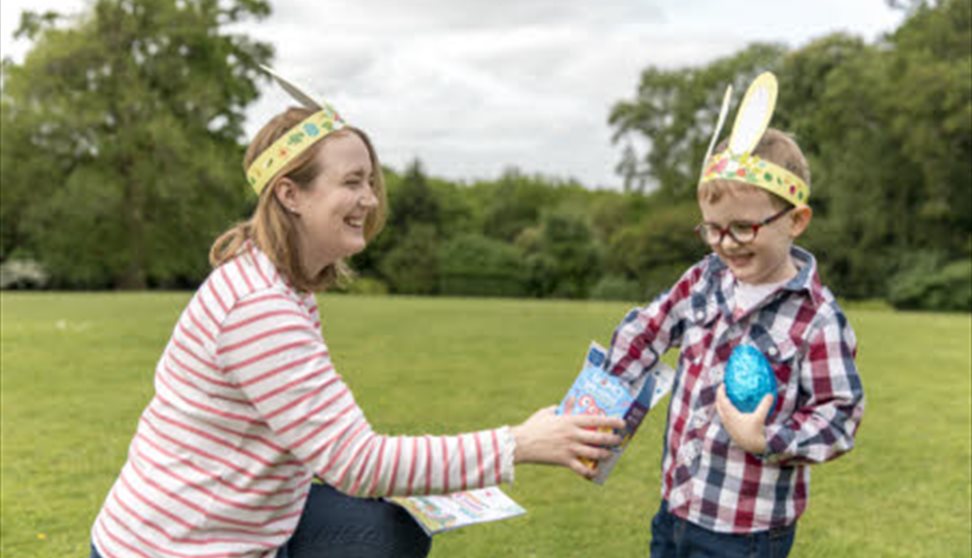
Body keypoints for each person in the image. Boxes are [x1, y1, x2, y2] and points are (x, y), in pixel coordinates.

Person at [89, 68, 625, 558]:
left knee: (391, 529)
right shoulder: (259, 309)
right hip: (170, 547)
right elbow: (354, 461)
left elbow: (328, 443)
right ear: (290, 195)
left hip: (245, 526)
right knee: (382, 531)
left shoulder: (282, 285)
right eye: (351, 182)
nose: (369, 199)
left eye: (369, 181)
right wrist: (520, 443)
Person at [604, 73, 864, 558]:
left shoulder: (817, 319)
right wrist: (603, 396)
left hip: (748, 533)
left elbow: (840, 415)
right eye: (713, 229)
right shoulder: (704, 279)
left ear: (795, 220)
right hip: (677, 508)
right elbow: (648, 330)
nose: (725, 244)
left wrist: (766, 437)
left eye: (742, 228)